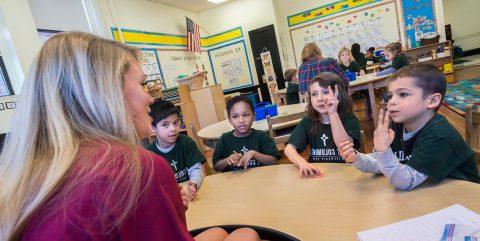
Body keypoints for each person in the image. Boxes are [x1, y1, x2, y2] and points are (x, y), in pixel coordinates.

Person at [0, 32, 259, 241]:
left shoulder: (26, 173)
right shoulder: (136, 168)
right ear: (109, 93)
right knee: (246, 234)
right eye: (142, 84)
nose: (149, 97)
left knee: (218, 232)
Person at [339, 64, 480, 190]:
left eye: (403, 94)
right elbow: (385, 164)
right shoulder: (399, 125)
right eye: (390, 96)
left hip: (463, 200)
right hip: (431, 192)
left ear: (432, 100)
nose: (391, 102)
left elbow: (406, 181)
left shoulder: (439, 134)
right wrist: (356, 158)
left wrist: (383, 151)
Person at [285, 72, 361, 178]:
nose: (319, 98)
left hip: (346, 175)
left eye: (325, 92)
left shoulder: (349, 118)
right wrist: (302, 163)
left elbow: (344, 148)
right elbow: (289, 149)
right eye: (314, 94)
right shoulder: (308, 121)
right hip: (318, 174)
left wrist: (333, 113)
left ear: (338, 94)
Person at [147, 99, 205, 201]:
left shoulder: (186, 142)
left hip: (189, 195)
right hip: (169, 199)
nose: (173, 128)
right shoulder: (149, 154)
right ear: (153, 128)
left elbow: (196, 169)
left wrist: (194, 183)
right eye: (165, 125)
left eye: (175, 123)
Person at [213, 96, 281, 172]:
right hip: (234, 182)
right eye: (235, 116)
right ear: (230, 120)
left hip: (260, 179)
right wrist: (228, 160)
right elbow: (216, 167)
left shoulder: (262, 136)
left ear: (254, 116)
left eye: (245, 115)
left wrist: (254, 154)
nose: (241, 120)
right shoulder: (224, 139)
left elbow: (274, 161)